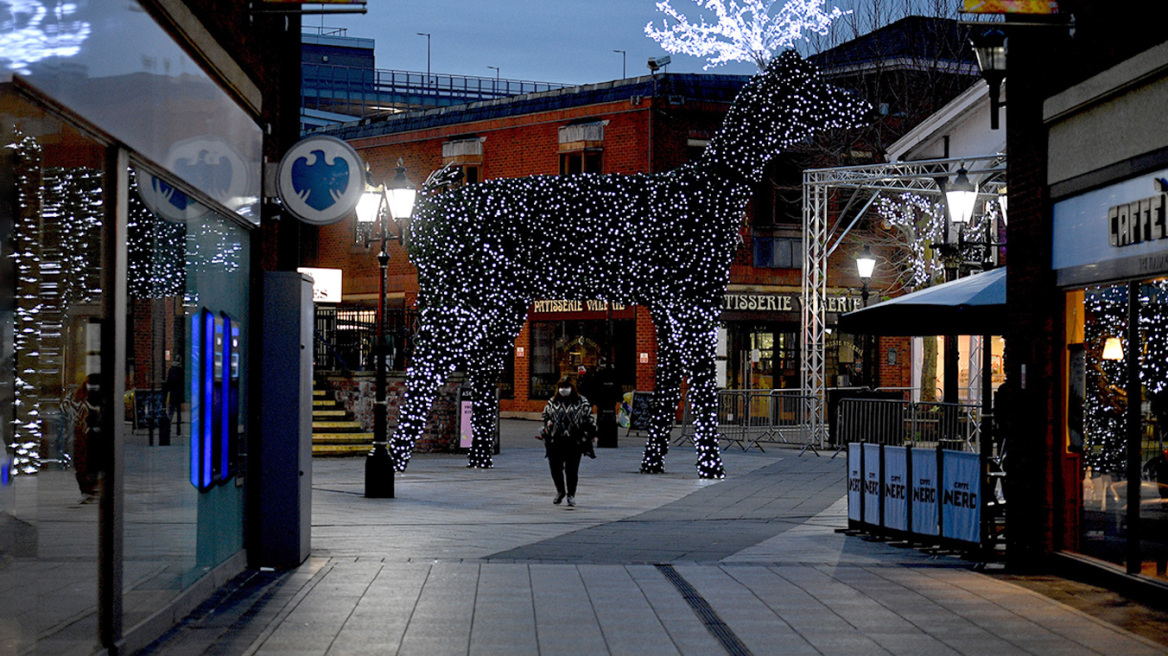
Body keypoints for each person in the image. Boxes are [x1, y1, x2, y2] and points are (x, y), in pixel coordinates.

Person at [541, 376, 596, 507]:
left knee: (572, 469)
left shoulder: (581, 401)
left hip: (574, 440)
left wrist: (592, 434)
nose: (563, 390)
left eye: (566, 387)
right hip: (556, 439)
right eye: (561, 387)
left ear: (572, 388)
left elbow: (589, 418)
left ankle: (571, 494)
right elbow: (545, 414)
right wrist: (547, 422)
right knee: (555, 468)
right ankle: (560, 491)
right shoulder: (553, 401)